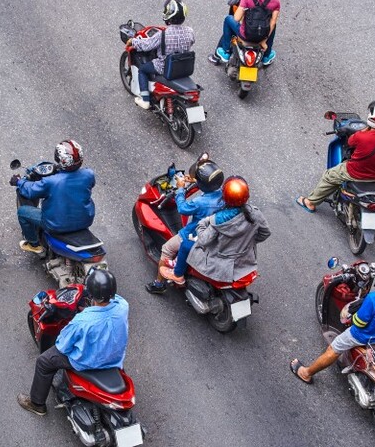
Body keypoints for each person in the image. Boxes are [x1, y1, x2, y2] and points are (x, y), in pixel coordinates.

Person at [290, 247, 375, 384]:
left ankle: (306, 373)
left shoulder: (374, 299)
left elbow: (359, 323)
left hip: (363, 336)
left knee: (334, 348)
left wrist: (354, 314)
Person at [17, 269, 129, 415]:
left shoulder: (83, 321)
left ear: (92, 294)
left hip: (87, 362)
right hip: (114, 356)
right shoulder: (123, 306)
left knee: (44, 362)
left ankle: (37, 404)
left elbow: (62, 344)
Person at [296, 100, 375, 213]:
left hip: (353, 172)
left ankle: (310, 203)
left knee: (328, 176)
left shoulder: (361, 136)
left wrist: (365, 130)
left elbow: (350, 142)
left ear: (371, 117)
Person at [166, 176, 270, 284]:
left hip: (220, 262)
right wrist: (247, 242)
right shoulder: (255, 213)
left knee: (186, 245)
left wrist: (202, 224)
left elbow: (203, 240)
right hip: (244, 258)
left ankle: (177, 275)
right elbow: (265, 233)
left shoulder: (219, 220)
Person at [147, 158, 224, 293]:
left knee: (166, 249)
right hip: (216, 235)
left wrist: (180, 190)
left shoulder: (200, 202)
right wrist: (196, 181)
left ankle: (158, 284)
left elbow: (182, 208)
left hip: (195, 234)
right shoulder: (224, 194)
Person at [10, 140, 95, 254]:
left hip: (56, 224)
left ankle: (33, 244)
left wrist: (19, 182)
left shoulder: (51, 182)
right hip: (85, 221)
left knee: (22, 212)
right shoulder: (89, 174)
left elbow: (30, 191)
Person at [126, 0, 195, 110]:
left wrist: (133, 41)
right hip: (184, 66)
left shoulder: (163, 35)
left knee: (142, 70)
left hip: (164, 67)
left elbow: (147, 45)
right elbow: (192, 41)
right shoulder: (190, 31)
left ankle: (145, 100)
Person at [209, 0, 280, 66]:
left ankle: (225, 52)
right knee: (273, 23)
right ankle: (266, 56)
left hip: (245, 35)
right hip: (262, 36)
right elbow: (273, 21)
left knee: (228, 19)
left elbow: (236, 18)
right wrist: (264, 41)